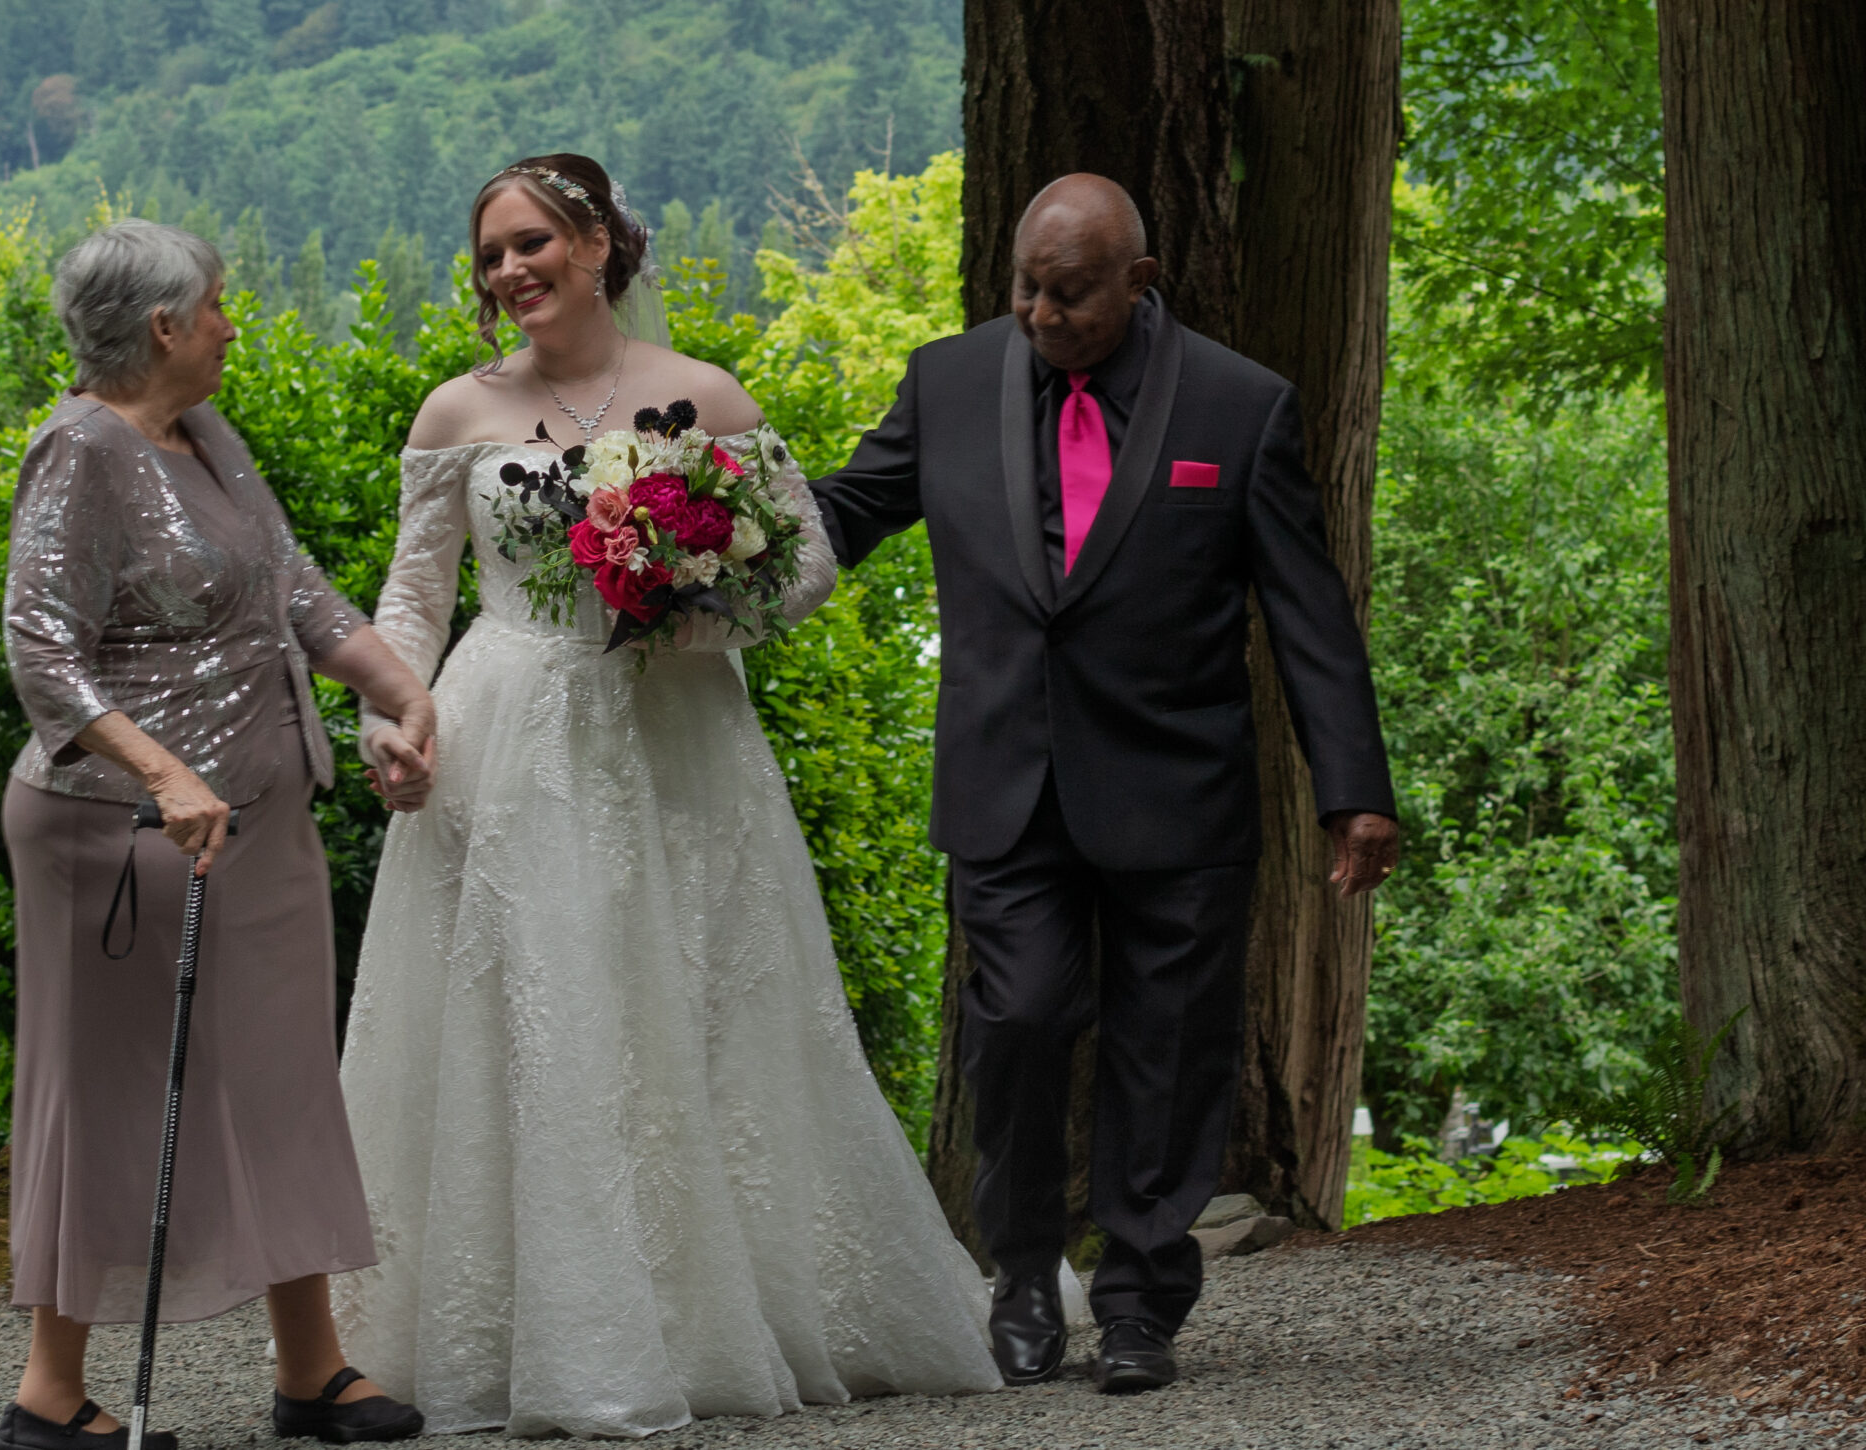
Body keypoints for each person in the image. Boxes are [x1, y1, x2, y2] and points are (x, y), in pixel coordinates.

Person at [332, 155, 1012, 1438]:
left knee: (692, 998)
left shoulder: (700, 395)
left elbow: (803, 564)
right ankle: (546, 1325)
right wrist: (389, 717)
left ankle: (710, 1309)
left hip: (677, 734)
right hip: (511, 731)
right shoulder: (453, 412)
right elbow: (411, 603)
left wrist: (693, 614)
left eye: (530, 243)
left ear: (595, 243)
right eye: (489, 256)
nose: (509, 272)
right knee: (545, 1015)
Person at [808, 174, 1402, 1396]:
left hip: (1178, 789)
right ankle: (1022, 1271)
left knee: (1168, 1048)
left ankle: (1139, 1298)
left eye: (1069, 291)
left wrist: (1352, 787)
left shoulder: (1241, 406)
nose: (1039, 310)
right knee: (1016, 1020)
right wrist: (696, 534)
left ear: (1138, 281)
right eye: (1024, 285)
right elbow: (843, 513)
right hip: (1004, 782)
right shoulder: (948, 380)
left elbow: (1307, 613)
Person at [0, 219, 440, 1450]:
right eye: (220, 304)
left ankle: (314, 1371)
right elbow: (42, 652)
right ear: (163, 326)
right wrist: (163, 772)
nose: (232, 323)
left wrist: (395, 690)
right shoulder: (78, 450)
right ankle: (47, 1394)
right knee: (106, 1096)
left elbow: (293, 587)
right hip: (123, 833)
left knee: (285, 1079)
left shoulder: (207, 436)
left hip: (262, 816)